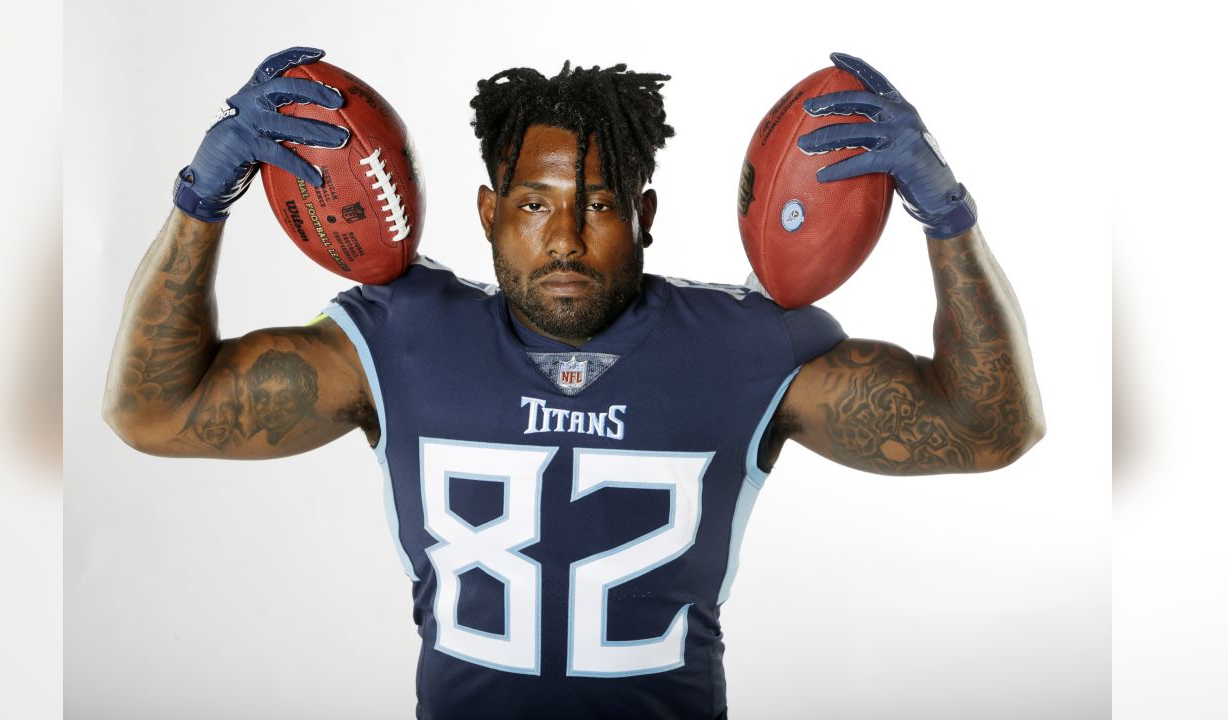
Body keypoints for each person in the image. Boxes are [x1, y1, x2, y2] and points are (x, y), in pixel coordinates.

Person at [104, 47, 1044, 720]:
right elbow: (154, 410)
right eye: (533, 204)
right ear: (486, 213)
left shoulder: (749, 347)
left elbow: (991, 429)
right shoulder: (400, 338)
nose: (564, 238)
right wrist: (199, 202)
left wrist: (949, 218)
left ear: (643, 215)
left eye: (596, 205)